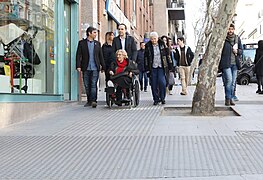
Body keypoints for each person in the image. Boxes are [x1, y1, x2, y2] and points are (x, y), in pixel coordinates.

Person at [76, 26, 105, 108]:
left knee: (93, 84)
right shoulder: (82, 43)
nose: (96, 34)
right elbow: (78, 55)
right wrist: (78, 65)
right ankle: (89, 100)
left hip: (95, 67)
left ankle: (93, 101)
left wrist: (103, 66)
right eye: (94, 32)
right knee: (86, 84)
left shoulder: (97, 44)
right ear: (89, 33)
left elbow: (100, 56)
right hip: (85, 67)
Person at [144, 32, 173, 105]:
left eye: (155, 39)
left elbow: (167, 55)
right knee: (154, 84)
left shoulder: (162, 44)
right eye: (152, 39)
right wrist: (147, 68)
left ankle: (162, 98)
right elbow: (146, 58)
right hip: (152, 67)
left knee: (162, 82)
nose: (153, 40)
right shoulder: (148, 46)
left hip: (161, 66)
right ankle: (156, 99)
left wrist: (170, 65)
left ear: (157, 38)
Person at [219, 23, 242, 106]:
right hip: (226, 63)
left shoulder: (237, 38)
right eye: (229, 29)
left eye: (231, 29)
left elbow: (241, 51)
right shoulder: (223, 39)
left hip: (235, 64)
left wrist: (237, 51)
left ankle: (231, 98)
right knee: (229, 81)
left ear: (234, 30)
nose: (230, 31)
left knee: (233, 82)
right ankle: (228, 98)